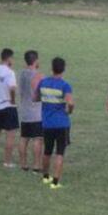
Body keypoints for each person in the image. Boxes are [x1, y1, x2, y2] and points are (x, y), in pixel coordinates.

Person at [36, 57, 74, 188]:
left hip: (47, 123)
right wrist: (69, 111)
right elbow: (70, 103)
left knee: (47, 151)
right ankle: (55, 182)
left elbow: (35, 98)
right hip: (61, 123)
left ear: (52, 68)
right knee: (60, 152)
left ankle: (45, 176)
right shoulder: (65, 85)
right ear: (63, 69)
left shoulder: (43, 82)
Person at [0, 48, 19, 167]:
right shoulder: (10, 72)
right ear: (9, 58)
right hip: (7, 105)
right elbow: (12, 88)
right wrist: (13, 100)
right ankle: (7, 162)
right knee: (10, 135)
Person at [17, 50, 44, 172]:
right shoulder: (38, 76)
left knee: (24, 138)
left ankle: (23, 164)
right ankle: (37, 165)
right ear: (36, 60)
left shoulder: (22, 73)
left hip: (24, 111)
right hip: (36, 112)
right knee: (37, 139)